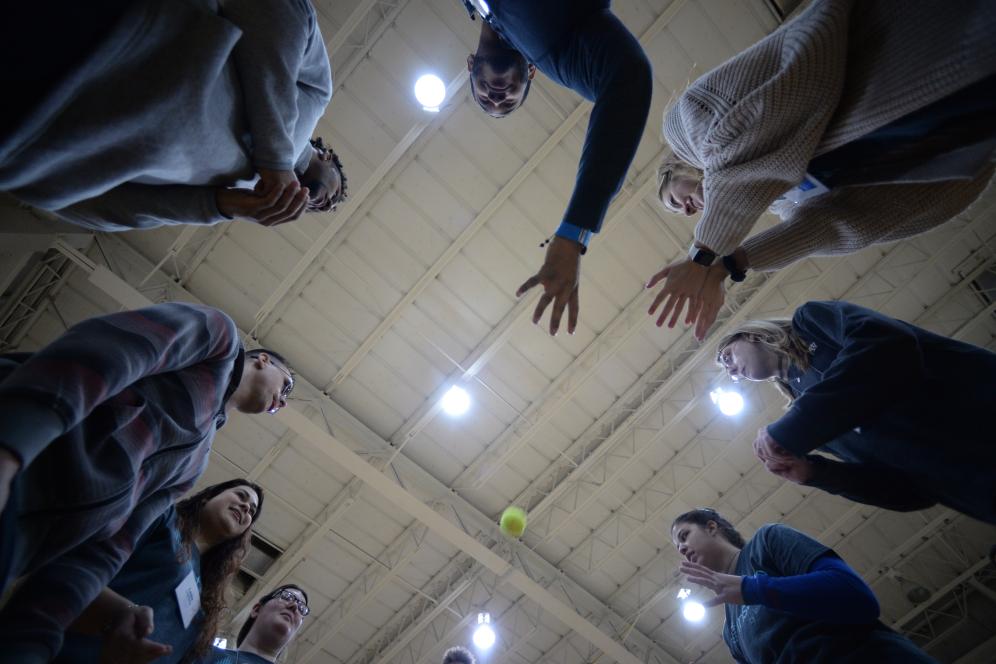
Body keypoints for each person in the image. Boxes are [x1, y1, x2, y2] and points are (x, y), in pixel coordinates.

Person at [647, 0, 996, 340]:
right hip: (959, 126)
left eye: (677, 202)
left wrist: (703, 254)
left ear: (674, 169)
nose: (690, 210)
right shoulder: (775, 196)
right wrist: (729, 266)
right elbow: (829, 228)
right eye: (686, 215)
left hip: (927, 44)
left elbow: (786, 98)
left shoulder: (691, 121)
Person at [0, 302, 295, 661]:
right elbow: (98, 355)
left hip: (19, 538)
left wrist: (32, 641)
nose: (282, 400)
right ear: (262, 360)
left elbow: (106, 549)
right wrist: (9, 450)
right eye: (287, 386)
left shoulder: (193, 463)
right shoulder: (218, 339)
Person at [0, 0, 346, 231]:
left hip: (28, 142)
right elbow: (275, 8)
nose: (325, 205)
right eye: (335, 194)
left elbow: (106, 210)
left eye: (325, 209)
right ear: (328, 157)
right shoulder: (315, 97)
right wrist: (276, 159)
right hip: (103, 29)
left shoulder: (237, 195)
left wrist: (217, 205)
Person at [461, 0, 653, 336]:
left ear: (470, 65)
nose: (495, 97)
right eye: (506, 101)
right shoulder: (557, 53)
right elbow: (627, 77)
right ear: (531, 73)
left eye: (484, 98)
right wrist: (574, 231)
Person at [715, 300, 996, 524]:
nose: (729, 370)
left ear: (752, 334)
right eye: (728, 372)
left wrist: (793, 427)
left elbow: (889, 343)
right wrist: (815, 473)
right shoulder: (816, 426)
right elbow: (911, 492)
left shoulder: (810, 322)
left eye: (727, 356)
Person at [671, 508, 937, 663]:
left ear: (711, 527)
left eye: (684, 536)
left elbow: (856, 595)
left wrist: (753, 589)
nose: (682, 548)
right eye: (677, 546)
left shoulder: (767, 542)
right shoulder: (730, 630)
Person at [55, 480, 263, 664]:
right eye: (240, 495)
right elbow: (75, 566)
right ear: (207, 497)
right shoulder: (163, 518)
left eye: (252, 512)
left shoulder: (206, 601)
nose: (246, 507)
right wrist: (118, 613)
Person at [199, 584, 309, 663]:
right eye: (287, 596)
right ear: (256, 610)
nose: (294, 606)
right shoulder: (202, 655)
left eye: (302, 609)